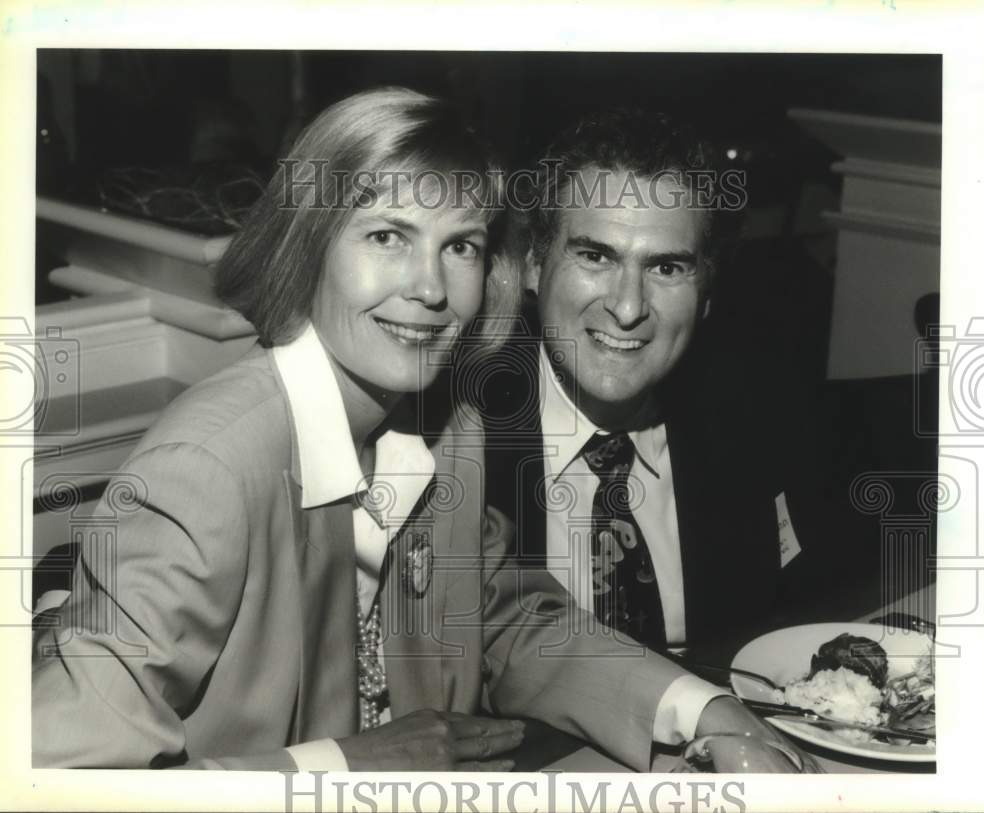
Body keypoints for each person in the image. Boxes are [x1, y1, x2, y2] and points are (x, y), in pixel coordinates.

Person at [33, 88, 814, 773]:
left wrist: (702, 709)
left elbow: (506, 623)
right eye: (387, 236)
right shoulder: (206, 468)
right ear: (309, 246)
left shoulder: (447, 430)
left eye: (461, 246)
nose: (431, 287)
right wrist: (336, 764)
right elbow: (52, 780)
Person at [483, 107, 831, 654]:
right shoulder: (456, 446)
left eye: (666, 268)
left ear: (708, 293)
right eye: (596, 256)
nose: (627, 307)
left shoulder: (754, 431)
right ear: (531, 264)